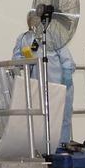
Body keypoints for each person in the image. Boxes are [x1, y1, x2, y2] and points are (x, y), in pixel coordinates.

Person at [13, 15, 76, 145]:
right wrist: (25, 60)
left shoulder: (53, 36)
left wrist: (67, 74)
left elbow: (66, 58)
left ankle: (61, 145)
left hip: (58, 83)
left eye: (37, 18)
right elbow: (16, 58)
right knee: (40, 117)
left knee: (61, 116)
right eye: (32, 19)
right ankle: (43, 147)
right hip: (37, 85)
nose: (34, 22)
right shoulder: (24, 38)